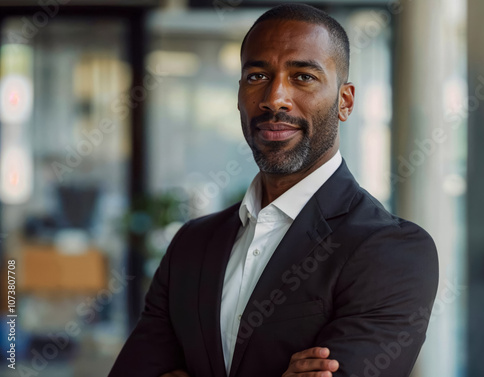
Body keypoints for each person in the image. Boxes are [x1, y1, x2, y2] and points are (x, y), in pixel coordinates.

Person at [108, 3, 439, 377]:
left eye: (302, 77)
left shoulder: (392, 251)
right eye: (257, 76)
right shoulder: (191, 244)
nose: (274, 98)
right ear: (238, 96)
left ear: (344, 101)